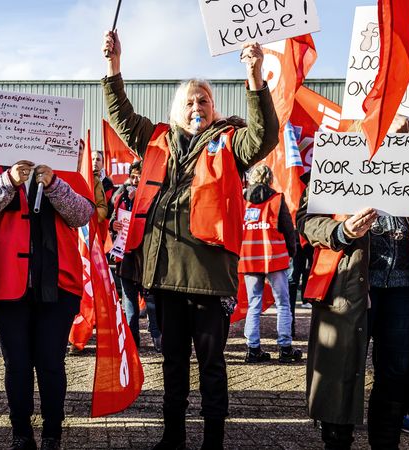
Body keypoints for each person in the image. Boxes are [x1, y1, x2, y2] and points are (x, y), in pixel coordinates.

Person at [102, 30, 279, 449]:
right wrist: (113, 66)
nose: (197, 106)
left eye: (204, 100)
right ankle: (173, 436)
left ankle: (213, 440)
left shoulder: (230, 141)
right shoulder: (157, 139)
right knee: (174, 362)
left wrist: (254, 76)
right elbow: (121, 115)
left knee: (212, 364)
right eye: (190, 102)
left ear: (214, 108)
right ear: (177, 110)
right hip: (164, 274)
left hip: (208, 276)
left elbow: (264, 135)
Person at [297, 116, 409, 449]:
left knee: (396, 374)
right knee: (341, 371)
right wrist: (342, 231)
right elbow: (307, 219)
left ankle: (386, 443)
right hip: (349, 286)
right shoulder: (341, 152)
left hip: (405, 288)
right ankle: (337, 442)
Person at [0, 157, 94, 450]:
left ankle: (52, 435)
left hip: (59, 285)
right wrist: (8, 182)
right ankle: (21, 434)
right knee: (17, 363)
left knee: (51, 362)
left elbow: (83, 214)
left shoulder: (64, 167)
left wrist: (55, 185)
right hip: (8, 284)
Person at [239, 164, 300, 363]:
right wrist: (291, 251)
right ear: (270, 179)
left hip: (249, 258)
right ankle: (285, 348)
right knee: (283, 303)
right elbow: (288, 229)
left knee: (253, 304)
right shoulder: (276, 199)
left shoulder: (242, 199)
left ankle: (253, 349)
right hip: (274, 257)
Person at [109, 161, 161, 351]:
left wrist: (138, 200)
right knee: (129, 302)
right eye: (132, 176)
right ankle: (132, 341)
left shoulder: (154, 196)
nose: (135, 180)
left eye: (139, 176)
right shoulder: (121, 196)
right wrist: (113, 225)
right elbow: (113, 218)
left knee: (151, 301)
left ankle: (157, 337)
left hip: (146, 258)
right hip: (126, 258)